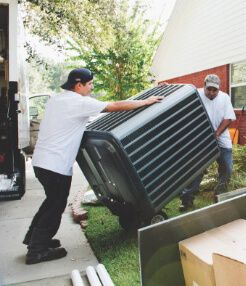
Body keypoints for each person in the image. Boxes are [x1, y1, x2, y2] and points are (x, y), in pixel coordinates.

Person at [23, 68, 163, 264]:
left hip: (42, 162)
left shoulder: (57, 99)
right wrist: (145, 102)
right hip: (56, 164)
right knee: (55, 205)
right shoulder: (78, 102)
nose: (92, 87)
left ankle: (34, 238)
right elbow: (114, 105)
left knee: (50, 202)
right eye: (90, 84)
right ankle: (37, 251)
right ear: (78, 85)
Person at [179, 74, 236, 212]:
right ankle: (187, 200)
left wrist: (216, 134)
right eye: (208, 89)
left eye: (214, 90)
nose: (211, 93)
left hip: (221, 140)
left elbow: (228, 119)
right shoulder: (196, 95)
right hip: (202, 141)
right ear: (204, 85)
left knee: (227, 168)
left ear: (219, 89)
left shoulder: (224, 98)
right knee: (196, 170)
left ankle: (220, 194)